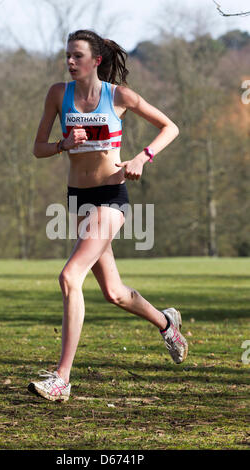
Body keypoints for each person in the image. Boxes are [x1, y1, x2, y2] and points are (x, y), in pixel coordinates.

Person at [28, 29, 188, 402]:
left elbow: (170, 127)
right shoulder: (58, 94)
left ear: (96, 60)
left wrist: (142, 158)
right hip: (78, 199)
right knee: (114, 293)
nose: (70, 62)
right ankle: (167, 324)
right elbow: (37, 148)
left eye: (77, 56)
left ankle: (61, 380)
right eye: (67, 55)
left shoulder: (119, 96)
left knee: (70, 276)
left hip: (111, 197)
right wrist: (62, 145)